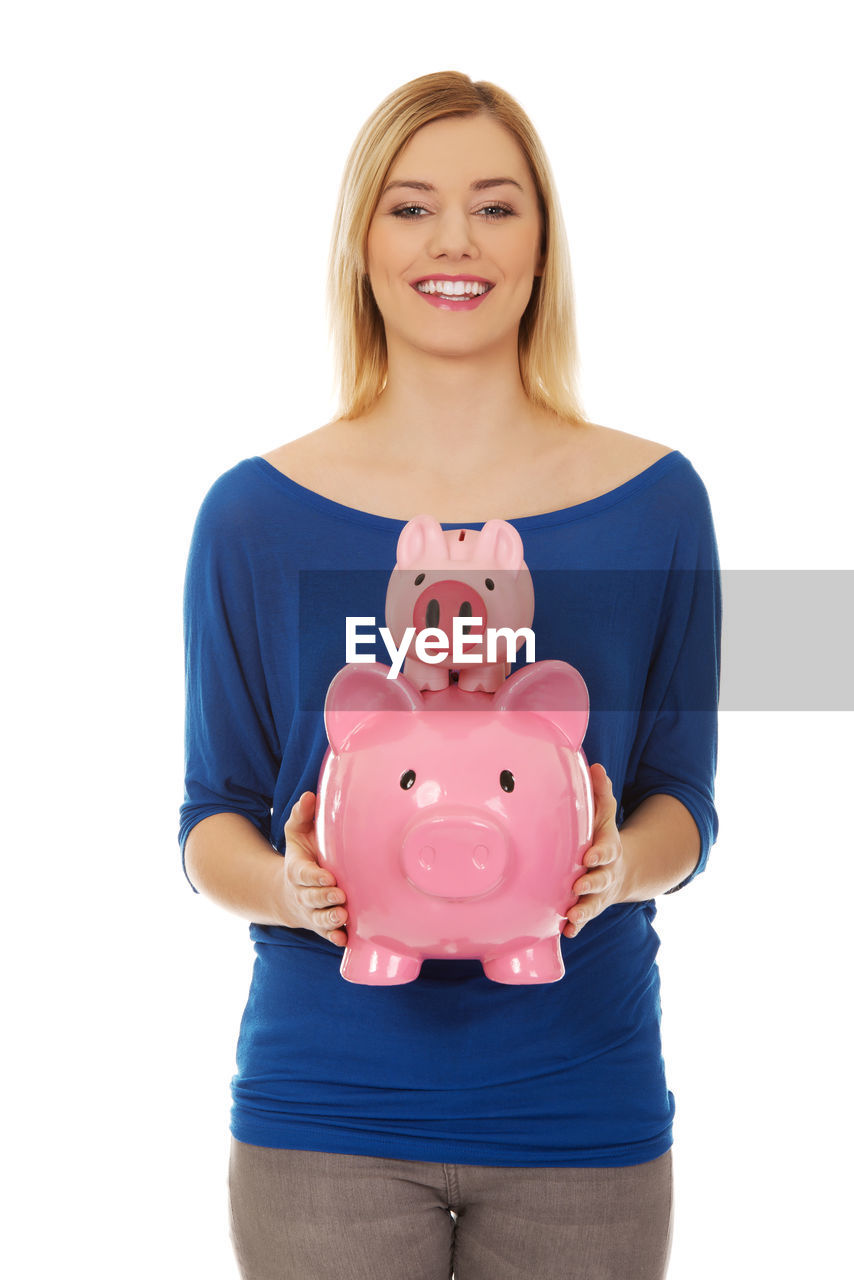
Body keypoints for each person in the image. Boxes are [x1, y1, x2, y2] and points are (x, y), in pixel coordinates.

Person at [179, 70, 721, 1280]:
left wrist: (621, 862)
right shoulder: (251, 515)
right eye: (411, 208)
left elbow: (684, 795)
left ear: (541, 242)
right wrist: (289, 887)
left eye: (495, 205)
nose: (455, 243)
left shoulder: (659, 504)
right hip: (326, 1111)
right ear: (361, 242)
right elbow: (209, 811)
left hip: (581, 1106)